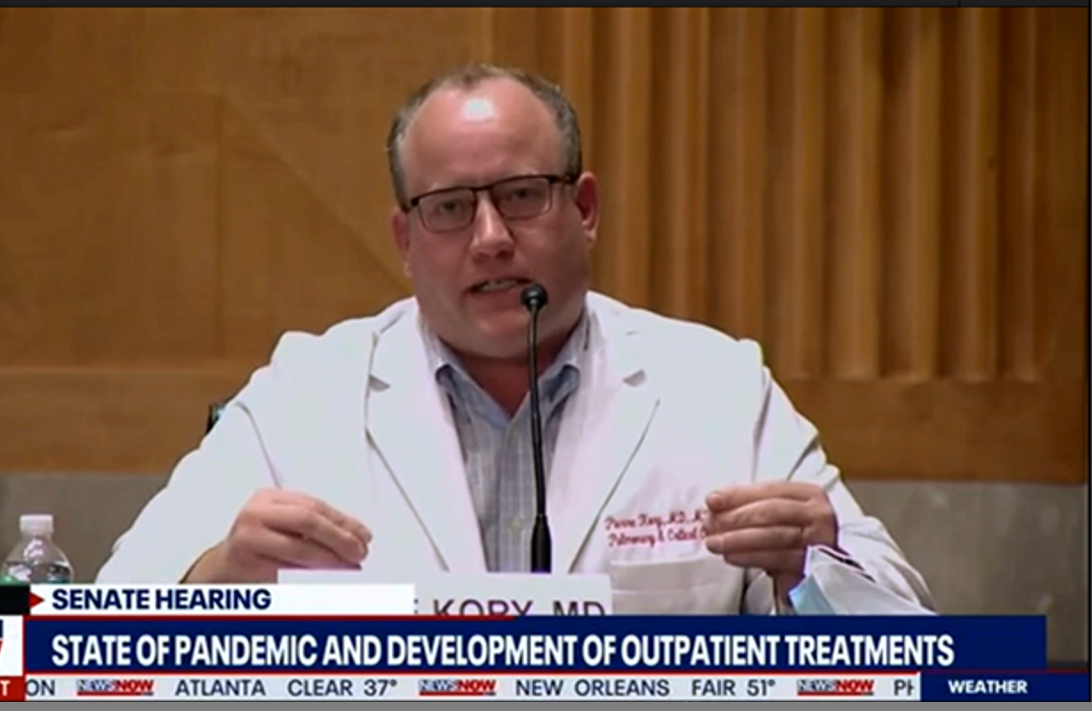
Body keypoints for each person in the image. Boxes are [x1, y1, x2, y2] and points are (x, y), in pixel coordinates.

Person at [96, 63, 934, 615]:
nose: (491, 238)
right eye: (451, 208)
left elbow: (908, 643)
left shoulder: (716, 385)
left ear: (585, 209)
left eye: (523, 195)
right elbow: (99, 632)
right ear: (405, 239)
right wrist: (222, 578)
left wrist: (815, 563)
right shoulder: (303, 395)